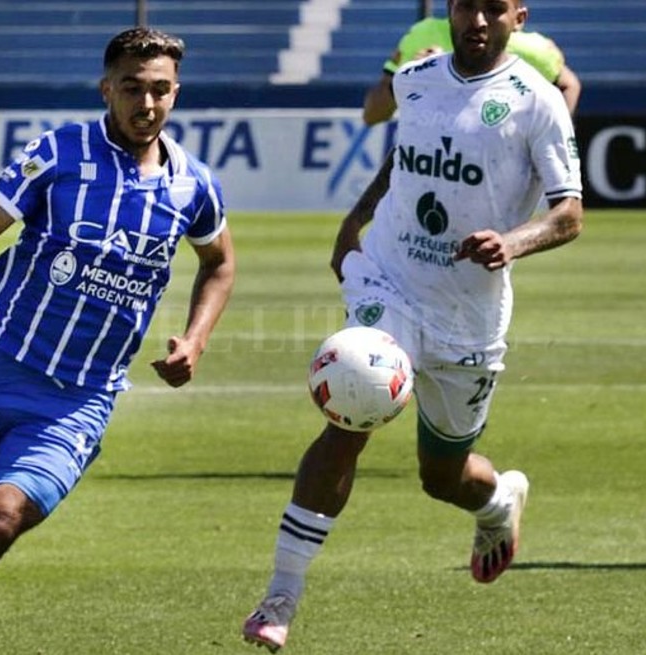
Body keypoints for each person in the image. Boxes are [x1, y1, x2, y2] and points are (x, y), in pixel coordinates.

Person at [0, 26, 235, 654]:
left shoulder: (194, 186)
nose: (147, 104)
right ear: (107, 89)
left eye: (161, 90)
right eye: (132, 89)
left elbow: (218, 263)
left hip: (79, 401)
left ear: (176, 93)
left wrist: (196, 338)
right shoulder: (58, 153)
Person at [242, 0, 583, 650]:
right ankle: (281, 594)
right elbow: (403, 159)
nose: (476, 19)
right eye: (465, 6)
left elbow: (569, 213)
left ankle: (496, 503)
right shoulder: (416, 77)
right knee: (348, 417)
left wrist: (513, 242)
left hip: (467, 313)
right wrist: (357, 218)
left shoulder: (537, 101)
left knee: (442, 475)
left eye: (493, 8)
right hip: (390, 278)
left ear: (518, 16)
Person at [361, 13, 581, 125]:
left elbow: (568, 85)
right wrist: (406, 78)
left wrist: (550, 140)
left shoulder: (530, 49)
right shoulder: (422, 35)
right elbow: (372, 115)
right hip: (428, 170)